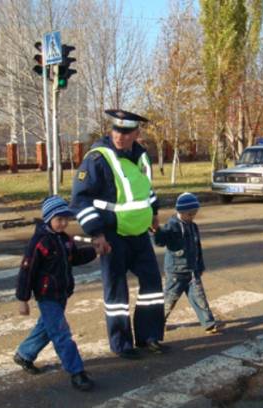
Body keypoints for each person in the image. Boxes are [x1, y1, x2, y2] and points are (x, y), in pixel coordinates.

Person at [70, 109, 166, 359]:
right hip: (112, 234)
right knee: (117, 292)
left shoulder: (141, 156)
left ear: (136, 133)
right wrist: (96, 233)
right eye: (116, 130)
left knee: (153, 285)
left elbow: (146, 191)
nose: (119, 136)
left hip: (140, 233)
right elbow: (80, 200)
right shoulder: (98, 158)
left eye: (125, 132)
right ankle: (122, 344)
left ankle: (149, 336)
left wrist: (154, 214)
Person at [14, 195, 97, 391]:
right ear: (48, 218)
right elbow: (27, 270)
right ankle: (76, 372)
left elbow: (74, 258)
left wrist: (95, 251)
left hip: (62, 294)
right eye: (59, 219)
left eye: (66, 219)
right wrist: (22, 299)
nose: (64, 223)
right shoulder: (39, 242)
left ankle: (24, 354)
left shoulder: (65, 240)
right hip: (47, 295)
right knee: (61, 333)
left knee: (46, 328)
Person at [153, 193, 218, 334]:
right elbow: (160, 241)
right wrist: (156, 231)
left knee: (199, 297)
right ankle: (157, 323)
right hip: (176, 272)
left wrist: (200, 265)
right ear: (180, 212)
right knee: (169, 300)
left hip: (192, 270)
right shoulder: (172, 226)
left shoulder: (193, 226)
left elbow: (197, 247)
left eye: (194, 214)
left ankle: (209, 323)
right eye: (190, 214)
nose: (192, 217)